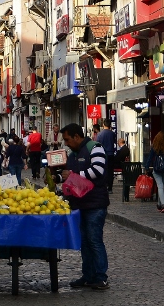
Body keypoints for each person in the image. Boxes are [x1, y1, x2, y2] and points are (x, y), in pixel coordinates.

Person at [57, 124, 109, 290]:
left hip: (95, 204)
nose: (65, 143)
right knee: (85, 242)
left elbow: (98, 170)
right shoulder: (72, 155)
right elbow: (70, 178)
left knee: (94, 240)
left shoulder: (95, 148)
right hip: (80, 204)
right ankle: (88, 276)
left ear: (76, 137)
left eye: (67, 139)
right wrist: (57, 177)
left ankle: (101, 277)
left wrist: (73, 175)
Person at [146, 131, 164, 213]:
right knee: (162, 186)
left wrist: (147, 167)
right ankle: (159, 204)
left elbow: (150, 158)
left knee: (160, 186)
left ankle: (163, 205)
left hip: (157, 170)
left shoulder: (155, 147)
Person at [95, 119, 116, 193]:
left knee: (103, 171)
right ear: (110, 125)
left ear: (103, 125)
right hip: (110, 154)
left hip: (102, 155)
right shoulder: (112, 134)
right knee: (110, 171)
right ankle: (110, 188)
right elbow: (114, 142)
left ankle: (104, 186)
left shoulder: (100, 134)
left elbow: (97, 144)